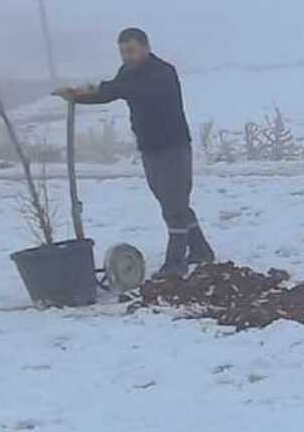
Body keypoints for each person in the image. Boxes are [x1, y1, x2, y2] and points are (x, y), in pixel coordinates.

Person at [54, 28, 214, 278]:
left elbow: (134, 90)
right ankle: (201, 250)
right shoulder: (128, 73)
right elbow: (112, 92)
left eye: (131, 50)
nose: (126, 56)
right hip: (149, 148)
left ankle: (175, 263)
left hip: (174, 147)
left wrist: (103, 87)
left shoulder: (162, 72)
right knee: (171, 201)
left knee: (174, 205)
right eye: (123, 52)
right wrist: (77, 97)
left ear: (146, 47)